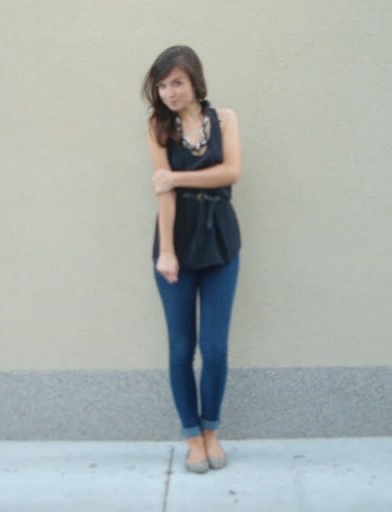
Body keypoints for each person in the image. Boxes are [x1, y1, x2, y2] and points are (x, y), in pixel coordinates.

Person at [142, 45, 242, 474]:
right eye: (162, 85)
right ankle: (192, 438)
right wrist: (167, 251)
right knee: (181, 347)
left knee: (214, 348)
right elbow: (163, 195)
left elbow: (231, 172)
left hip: (220, 241)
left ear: (195, 81)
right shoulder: (158, 127)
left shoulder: (225, 120)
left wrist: (176, 177)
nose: (169, 92)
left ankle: (212, 430)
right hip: (176, 244)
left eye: (176, 82)